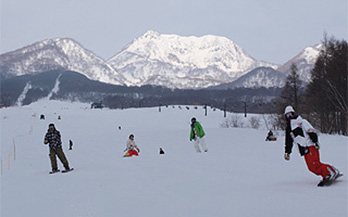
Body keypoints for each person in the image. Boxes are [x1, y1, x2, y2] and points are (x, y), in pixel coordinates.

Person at [283, 105, 340, 185]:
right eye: (287, 116)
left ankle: (328, 173)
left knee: (314, 165)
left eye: (291, 114)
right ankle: (332, 170)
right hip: (304, 149)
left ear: (294, 114)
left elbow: (311, 131)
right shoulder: (289, 128)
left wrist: (315, 141)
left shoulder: (302, 122)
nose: (289, 117)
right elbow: (288, 141)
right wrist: (287, 152)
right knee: (311, 167)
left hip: (310, 146)